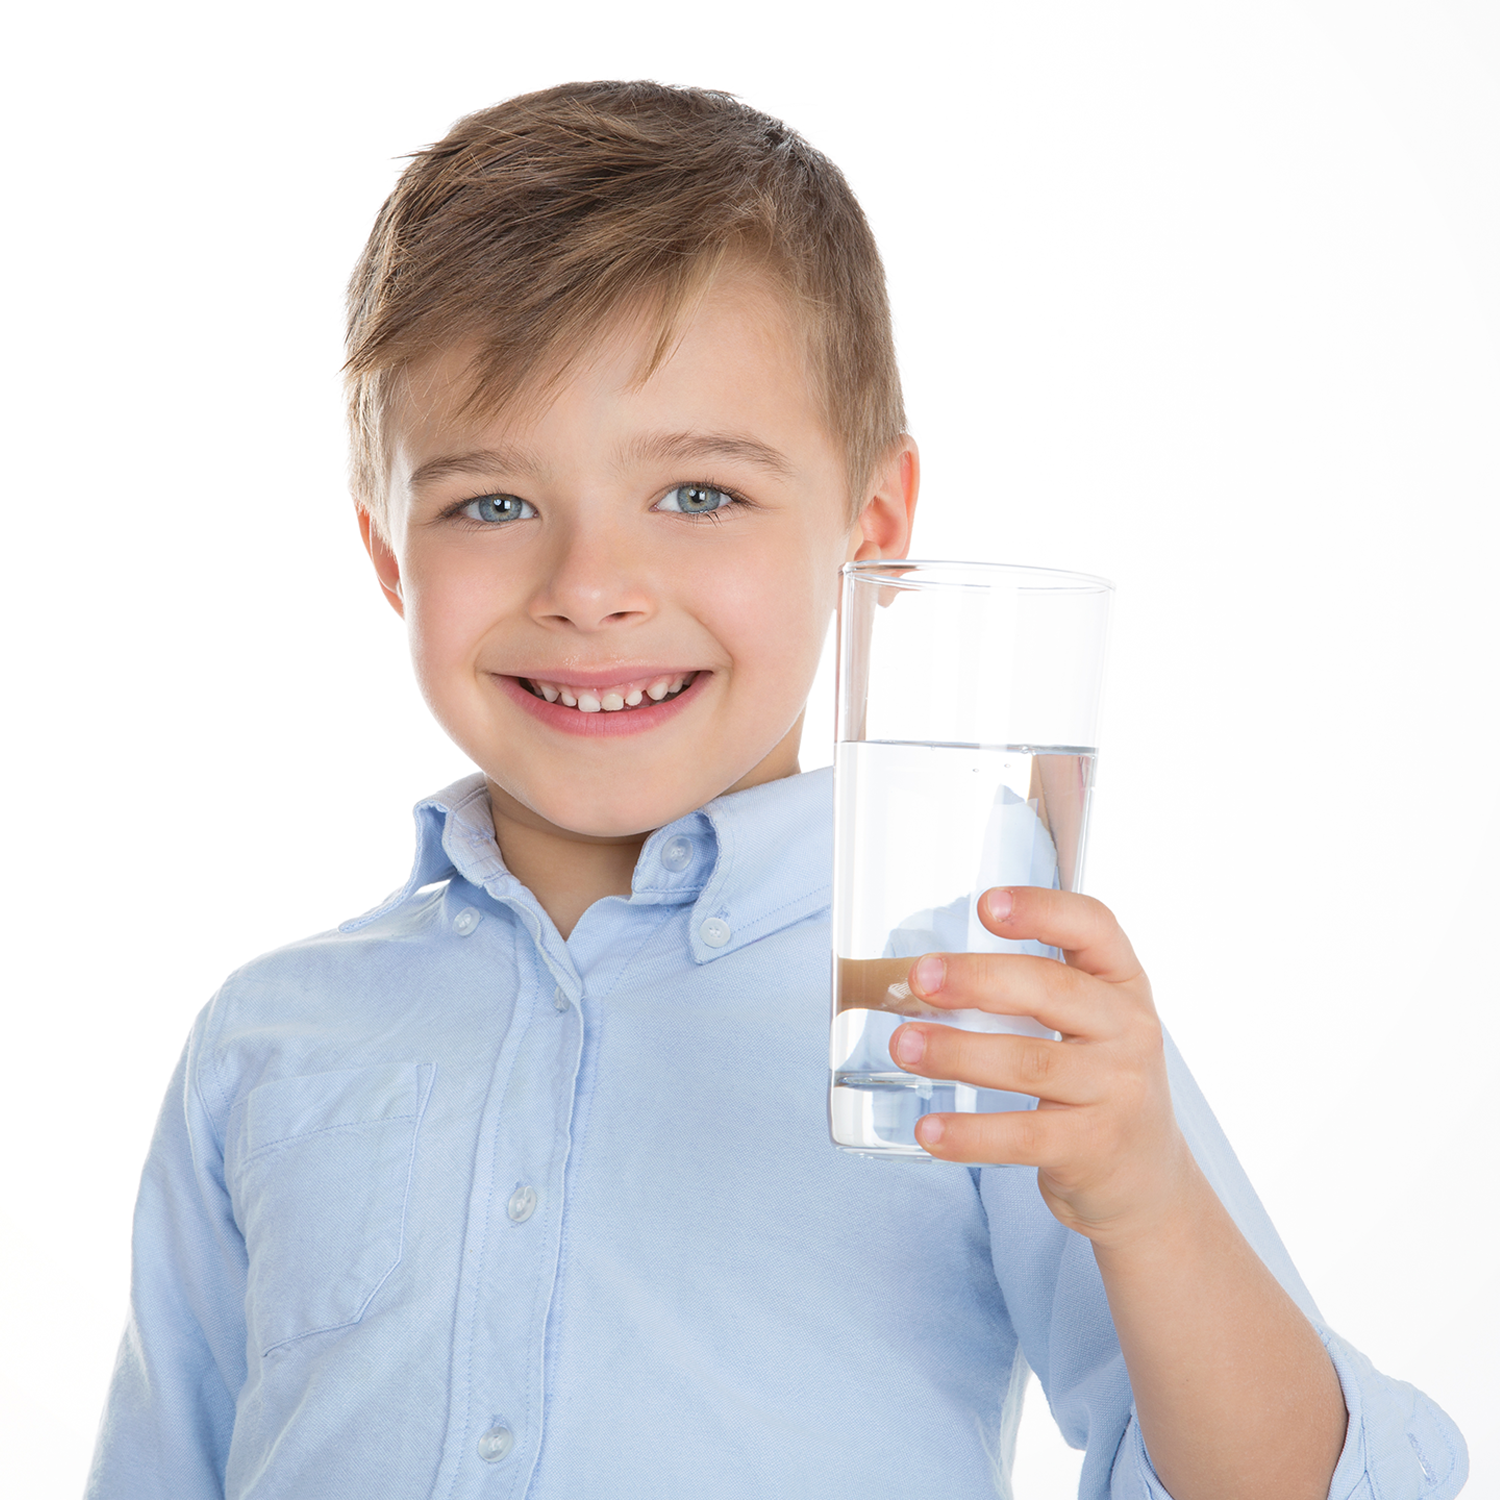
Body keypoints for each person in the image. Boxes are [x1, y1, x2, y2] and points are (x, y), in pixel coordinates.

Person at [85, 81, 1467, 1500]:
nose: (591, 590)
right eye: (491, 504)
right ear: (389, 552)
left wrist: (1147, 1196)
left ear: (870, 531)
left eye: (698, 494)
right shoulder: (267, 1042)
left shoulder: (962, 998)